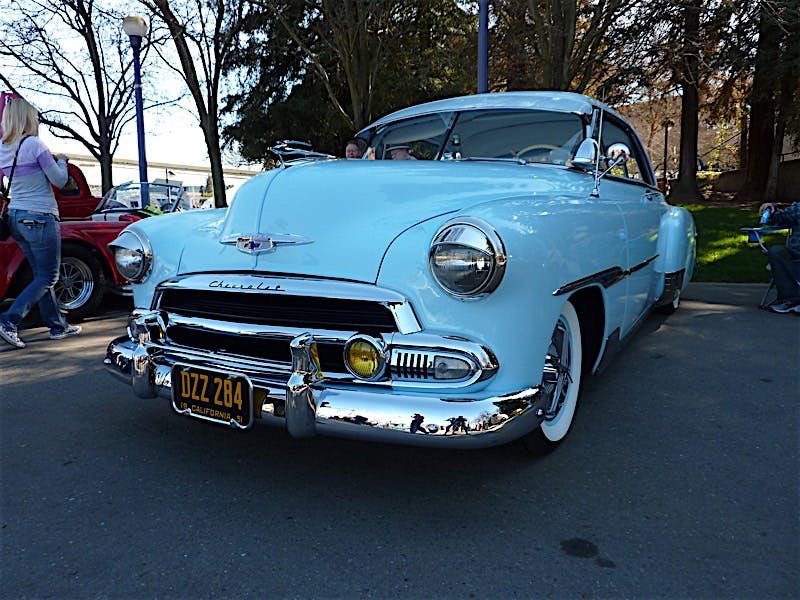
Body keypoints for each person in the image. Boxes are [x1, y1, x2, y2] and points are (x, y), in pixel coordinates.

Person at [0, 97, 81, 349]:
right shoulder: (35, 144)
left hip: (15, 216)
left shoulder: (2, 147)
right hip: (40, 216)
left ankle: (58, 326)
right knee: (48, 277)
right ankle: (8, 321)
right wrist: (62, 161)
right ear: (27, 118)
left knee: (41, 274)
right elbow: (58, 180)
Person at [759, 201, 800, 314]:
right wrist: (771, 209)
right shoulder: (798, 208)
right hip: (796, 252)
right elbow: (779, 219)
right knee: (776, 252)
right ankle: (791, 299)